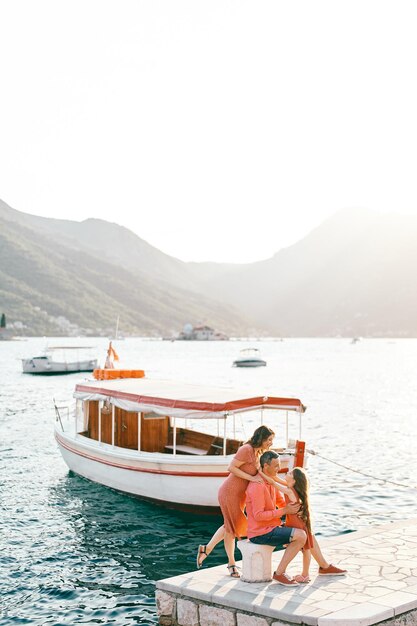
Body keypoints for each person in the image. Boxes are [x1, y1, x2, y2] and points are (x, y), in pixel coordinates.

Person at [196, 426, 299, 578]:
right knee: (232, 528)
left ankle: (207, 549)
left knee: (230, 526)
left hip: (241, 495)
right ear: (261, 438)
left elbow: (268, 476)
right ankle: (231, 565)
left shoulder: (260, 453)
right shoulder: (247, 449)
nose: (271, 443)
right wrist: (252, 478)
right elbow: (231, 467)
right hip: (230, 493)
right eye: (269, 440)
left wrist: (290, 486)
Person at [249, 450, 347, 585]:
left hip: (273, 526)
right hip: (262, 532)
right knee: (302, 536)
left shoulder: (273, 485)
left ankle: (322, 567)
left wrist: (296, 509)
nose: (280, 469)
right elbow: (259, 516)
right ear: (266, 466)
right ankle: (280, 573)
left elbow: (281, 501)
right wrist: (286, 510)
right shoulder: (258, 486)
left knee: (308, 535)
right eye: (276, 466)